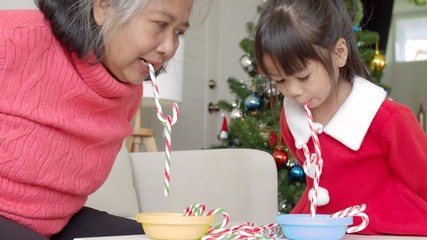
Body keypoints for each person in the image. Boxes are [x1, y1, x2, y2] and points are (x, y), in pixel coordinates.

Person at [0, 0, 197, 239]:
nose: (169, 47)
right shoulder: (12, 36)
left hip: (58, 221)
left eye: (178, 32)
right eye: (160, 24)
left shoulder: (127, 91)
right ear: (103, 7)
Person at [255, 0, 427, 236]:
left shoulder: (389, 119)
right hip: (322, 227)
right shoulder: (292, 118)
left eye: (303, 76)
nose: (292, 90)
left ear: (339, 53)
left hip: (392, 229)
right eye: (280, 80)